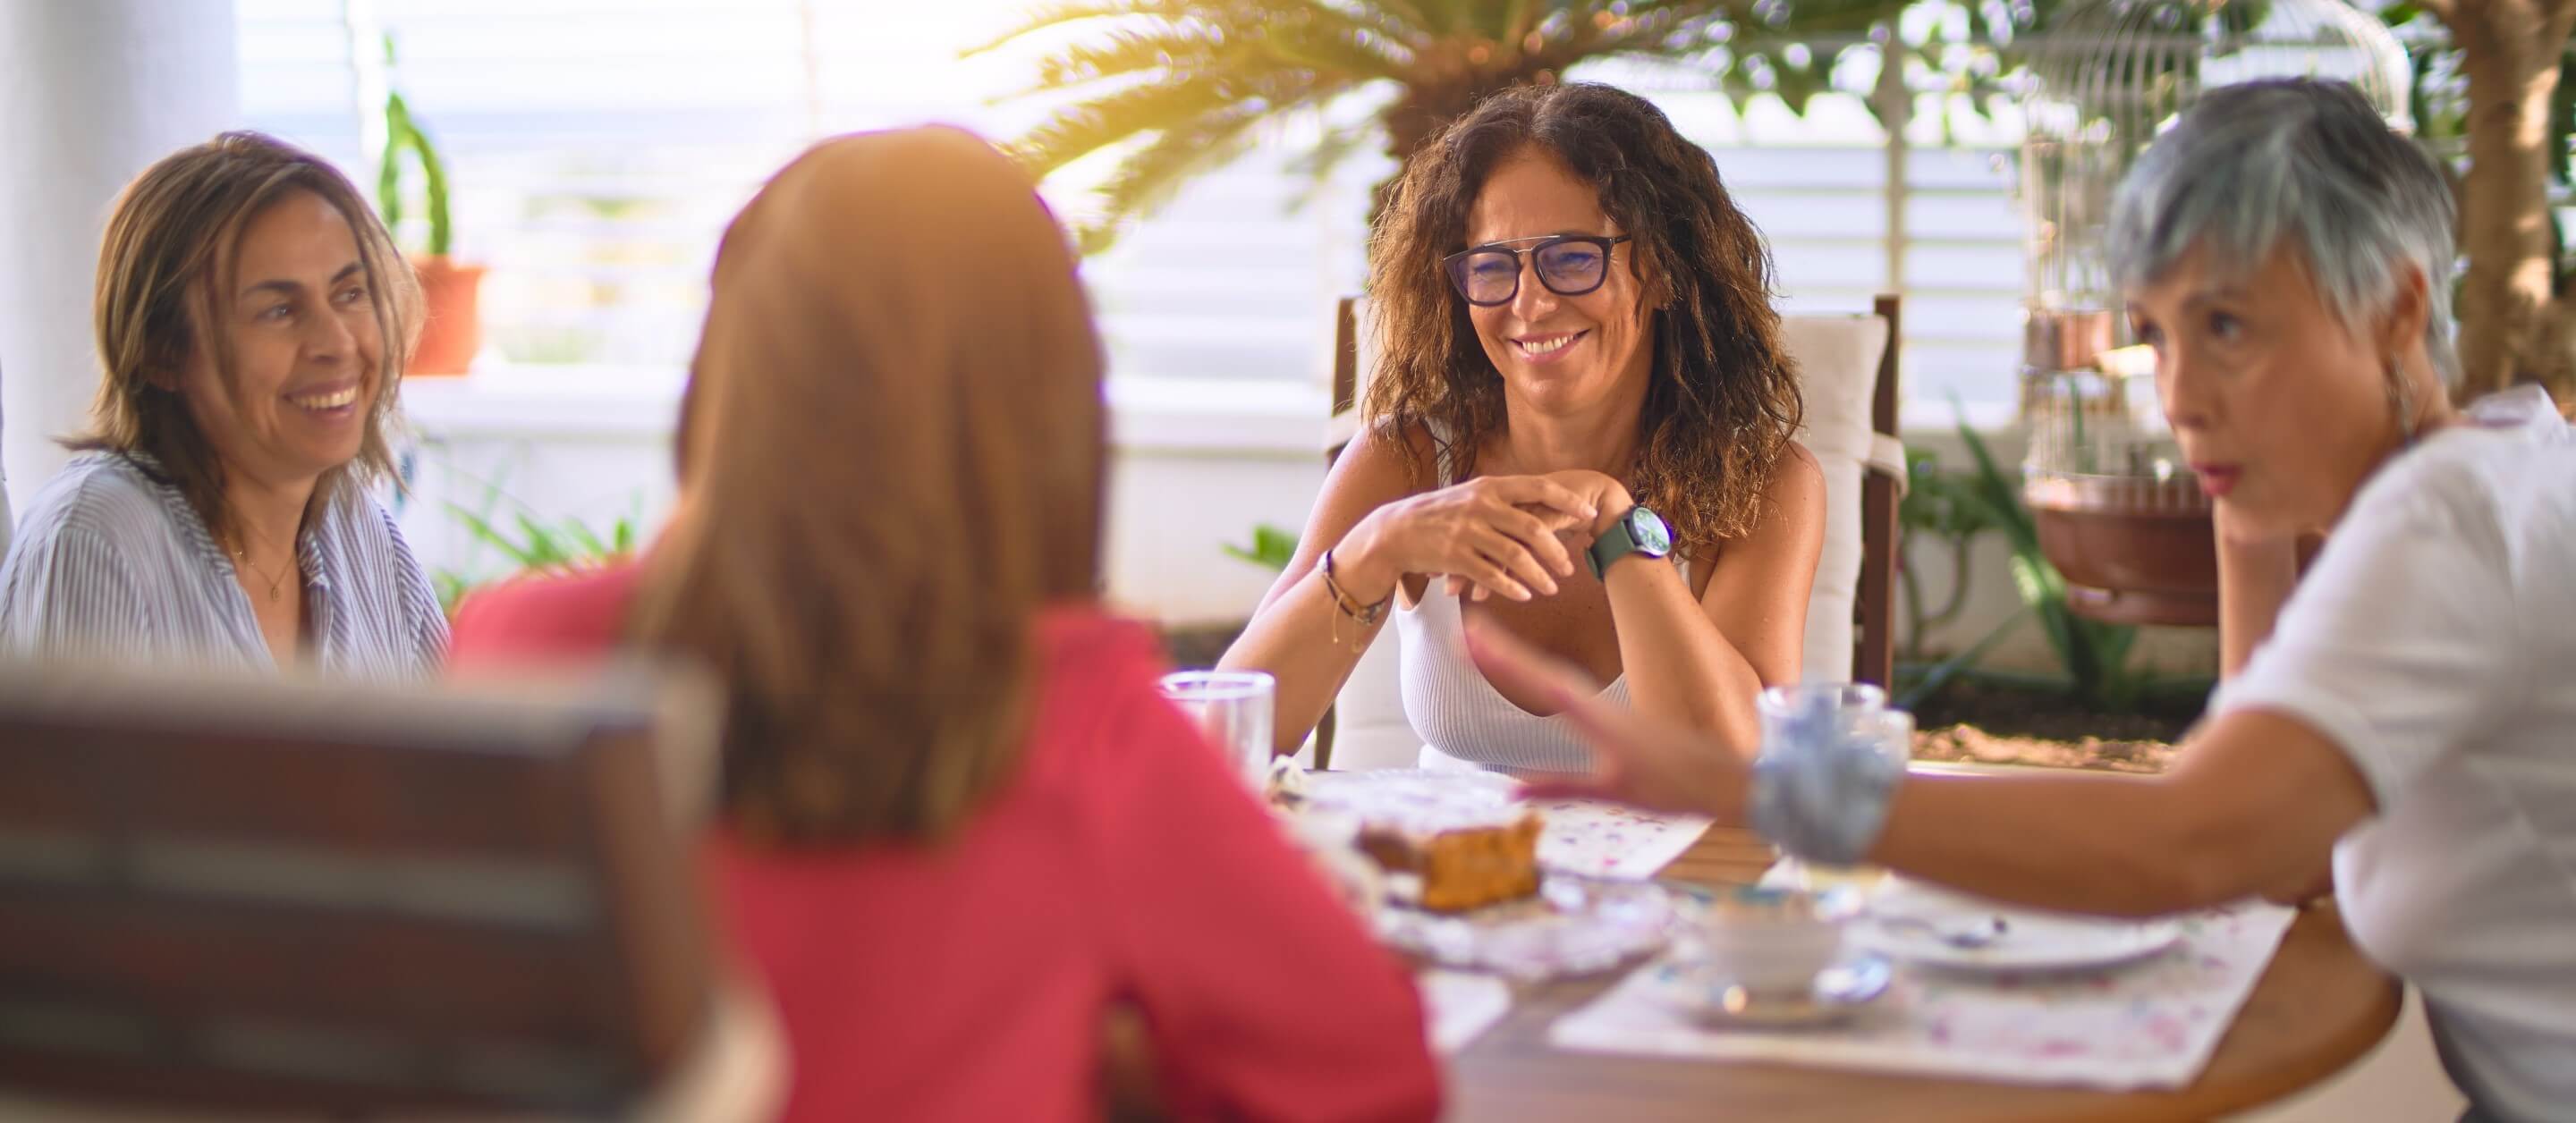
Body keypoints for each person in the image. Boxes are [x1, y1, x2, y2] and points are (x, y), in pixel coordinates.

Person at [1475, 80, 2576, 1122]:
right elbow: (2282, 844)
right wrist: (2247, 523)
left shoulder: (2445, 522)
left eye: (2230, 327)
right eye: (2158, 335)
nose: (2180, 398)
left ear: (2396, 314)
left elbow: (2196, 845)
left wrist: (1768, 792)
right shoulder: (2499, 463)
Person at [445, 127, 1441, 1123]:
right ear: (1048, 410)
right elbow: (1373, 1070)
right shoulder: (1077, 717)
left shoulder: (516, 645)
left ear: (727, 367)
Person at [1218, 82, 1825, 773]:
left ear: (1658, 271)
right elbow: (1229, 731)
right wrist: (1375, 549)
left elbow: (1738, 768)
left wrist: (1618, 526)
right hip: (1445, 873)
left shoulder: (1763, 483)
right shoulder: (1408, 460)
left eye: (1571, 258)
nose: (1529, 304)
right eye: (1493, 266)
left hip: (1674, 877)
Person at [0, 132, 445, 675]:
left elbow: (458, 755)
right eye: (279, 310)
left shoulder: (358, 529)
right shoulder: (99, 538)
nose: (337, 344)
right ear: (161, 353)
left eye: (350, 294)